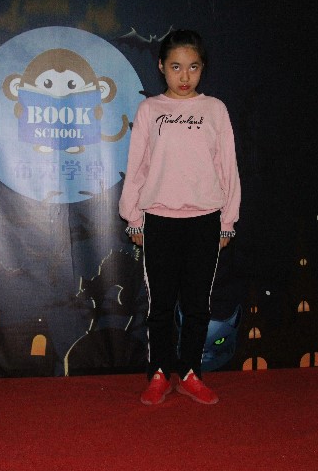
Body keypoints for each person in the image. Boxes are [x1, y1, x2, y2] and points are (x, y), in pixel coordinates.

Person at [119, 29, 241, 405]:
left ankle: (190, 373)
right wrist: (133, 217)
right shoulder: (149, 110)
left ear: (202, 68)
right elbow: (137, 167)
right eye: (176, 67)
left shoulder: (215, 110)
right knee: (160, 305)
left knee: (197, 305)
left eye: (193, 67)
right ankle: (159, 373)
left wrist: (227, 221)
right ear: (161, 67)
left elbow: (228, 167)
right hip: (158, 220)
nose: (184, 76)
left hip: (205, 220)